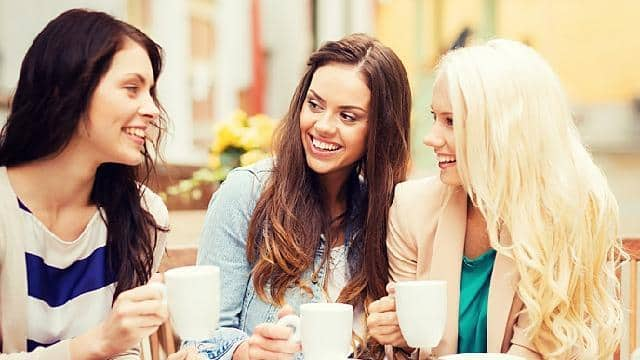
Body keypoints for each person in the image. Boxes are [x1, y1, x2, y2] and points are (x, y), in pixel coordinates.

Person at [367, 39, 623, 359]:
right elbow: (413, 349)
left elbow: (537, 352)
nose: (430, 138)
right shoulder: (411, 208)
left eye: (451, 121)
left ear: (501, 130)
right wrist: (400, 338)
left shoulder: (568, 213)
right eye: (434, 117)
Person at [189, 33, 411, 360]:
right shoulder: (246, 192)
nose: (322, 125)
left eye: (347, 116)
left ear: (381, 129)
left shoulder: (385, 211)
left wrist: (402, 336)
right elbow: (200, 339)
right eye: (315, 104)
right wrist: (247, 352)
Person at [0, 9, 171, 359]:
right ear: (68, 87)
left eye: (151, 91)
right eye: (131, 88)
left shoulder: (143, 215)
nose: (152, 109)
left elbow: (126, 351)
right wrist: (96, 345)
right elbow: (107, 345)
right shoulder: (6, 213)